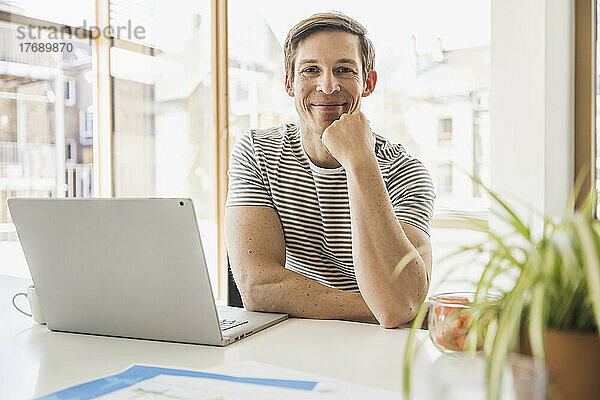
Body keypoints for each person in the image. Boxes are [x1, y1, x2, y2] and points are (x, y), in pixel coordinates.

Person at [225, 12, 435, 328]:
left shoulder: (406, 171)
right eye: (311, 70)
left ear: (368, 82)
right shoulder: (257, 151)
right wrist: (379, 306)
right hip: (296, 336)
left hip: (379, 345)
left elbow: (402, 301)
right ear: (289, 83)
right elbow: (258, 288)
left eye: (344, 70)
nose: (327, 86)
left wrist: (360, 161)